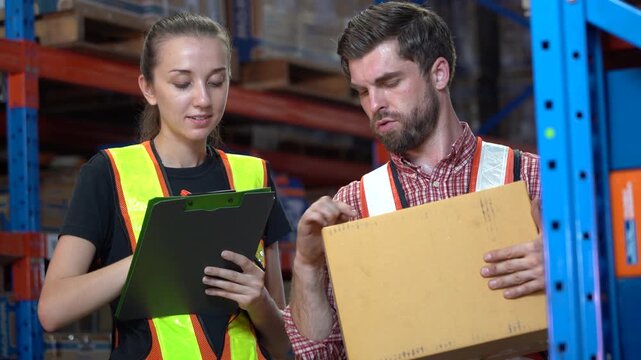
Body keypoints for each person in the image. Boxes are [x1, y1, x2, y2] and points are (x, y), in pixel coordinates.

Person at [283, 2, 544, 358]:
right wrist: (307, 265)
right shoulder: (353, 206)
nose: (375, 104)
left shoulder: (534, 179)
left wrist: (569, 271)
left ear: (439, 74)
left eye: (389, 83)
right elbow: (318, 356)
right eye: (362, 91)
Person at [38, 13, 292, 359]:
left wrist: (260, 303)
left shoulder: (255, 178)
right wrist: (150, 258)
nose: (203, 99)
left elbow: (285, 345)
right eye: (182, 83)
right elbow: (53, 310)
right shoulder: (108, 173)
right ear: (148, 88)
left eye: (216, 82)